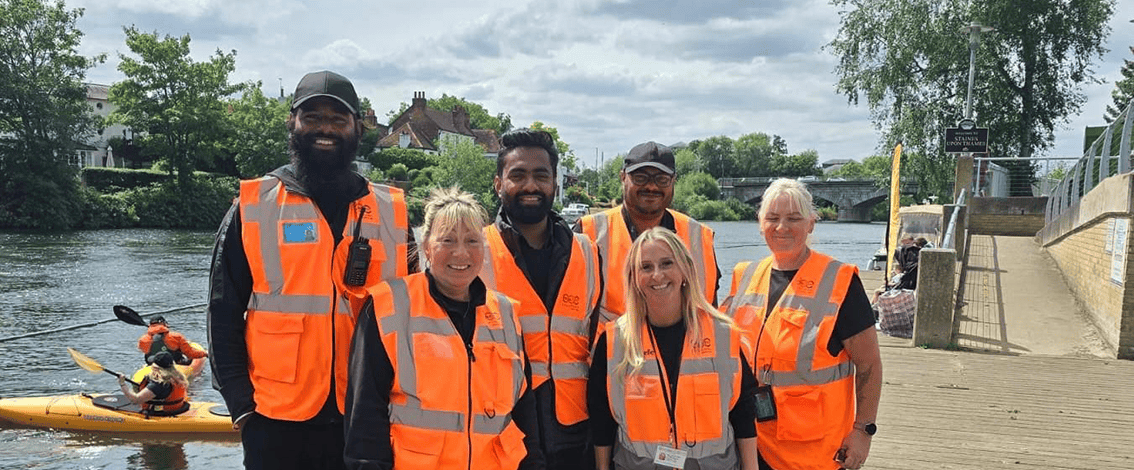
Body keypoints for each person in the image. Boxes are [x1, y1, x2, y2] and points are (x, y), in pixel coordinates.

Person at [207, 70, 417, 470]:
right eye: (313, 117)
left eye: (338, 119)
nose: (326, 129)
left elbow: (419, 311)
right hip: (275, 420)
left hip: (368, 414)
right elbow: (223, 310)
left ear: (358, 127)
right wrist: (241, 406)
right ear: (292, 122)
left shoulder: (393, 212)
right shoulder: (254, 207)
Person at [344, 187, 545, 469]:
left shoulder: (507, 314)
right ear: (426, 245)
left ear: (483, 249)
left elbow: (525, 414)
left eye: (472, 241)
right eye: (447, 240)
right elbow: (365, 417)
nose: (460, 253)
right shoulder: (388, 306)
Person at [722, 178, 882, 470]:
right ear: (760, 223)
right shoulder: (744, 276)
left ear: (811, 224)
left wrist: (863, 432)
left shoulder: (840, 282)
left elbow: (869, 364)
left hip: (813, 453)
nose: (782, 227)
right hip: (748, 443)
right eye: (772, 218)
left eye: (793, 218)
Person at [478, 129, 602, 469]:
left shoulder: (587, 253)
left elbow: (598, 338)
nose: (530, 186)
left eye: (541, 175)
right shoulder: (477, 251)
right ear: (498, 184)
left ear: (554, 183)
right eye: (517, 175)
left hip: (576, 429)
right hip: (503, 427)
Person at [588, 227, 758, 470]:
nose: (657, 275)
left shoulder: (723, 335)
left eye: (667, 263)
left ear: (685, 270)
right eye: (645, 267)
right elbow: (602, 418)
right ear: (634, 277)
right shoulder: (614, 341)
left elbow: (743, 413)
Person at [575, 141, 719, 324]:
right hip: (613, 350)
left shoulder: (700, 237)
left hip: (686, 350)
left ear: (673, 181)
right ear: (622, 177)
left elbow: (712, 311)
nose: (652, 187)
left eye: (662, 179)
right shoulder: (588, 232)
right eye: (641, 178)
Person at [117, 351, 190, 416]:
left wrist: (122, 384)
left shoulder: (158, 383)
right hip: (178, 409)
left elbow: (135, 400)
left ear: (156, 366)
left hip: (162, 413)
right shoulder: (178, 377)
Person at [137, 315, 207, 365]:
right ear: (165, 324)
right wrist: (205, 354)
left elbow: (145, 350)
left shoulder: (142, 340)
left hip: (153, 364)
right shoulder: (176, 337)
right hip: (174, 364)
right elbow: (191, 353)